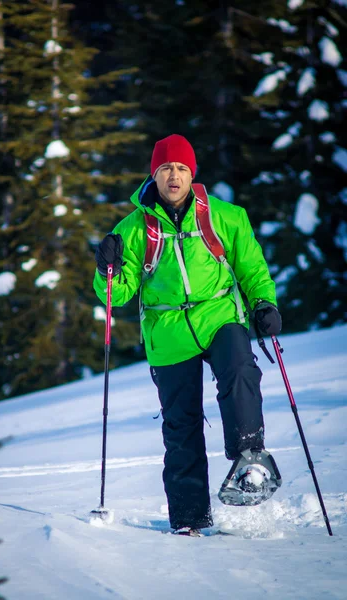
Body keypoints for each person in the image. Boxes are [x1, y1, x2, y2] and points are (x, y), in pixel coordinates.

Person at [93, 134, 282, 537]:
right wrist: (105, 268)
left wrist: (264, 303)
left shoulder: (224, 216)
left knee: (239, 370)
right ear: (154, 175)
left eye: (180, 168)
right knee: (181, 427)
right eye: (165, 169)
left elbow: (251, 267)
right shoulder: (131, 230)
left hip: (219, 315)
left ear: (191, 173)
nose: (173, 176)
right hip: (167, 331)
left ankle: (250, 459)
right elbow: (118, 295)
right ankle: (189, 519)